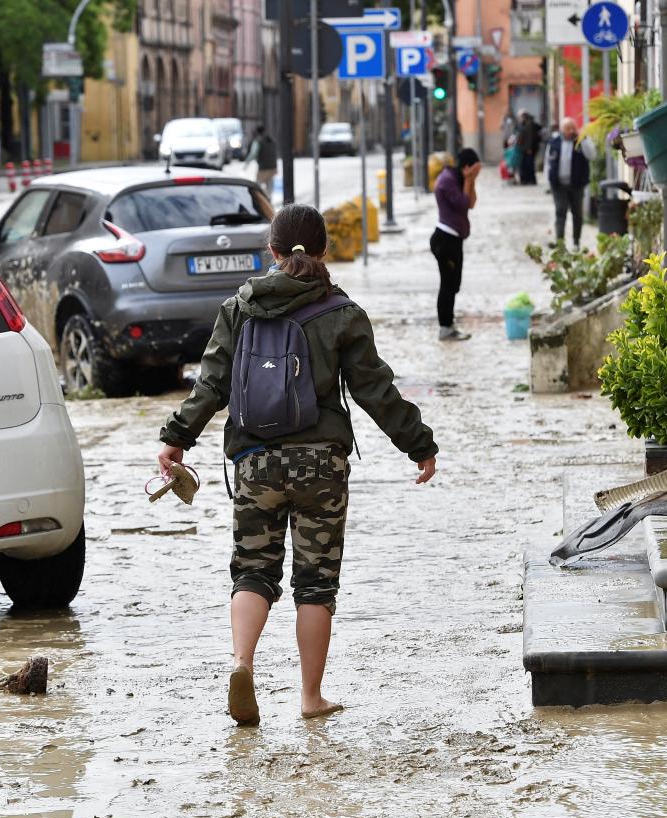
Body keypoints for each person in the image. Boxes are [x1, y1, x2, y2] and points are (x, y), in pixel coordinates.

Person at [158, 203, 439, 726]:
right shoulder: (341, 312)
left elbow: (212, 384)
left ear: (272, 251)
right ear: (325, 250)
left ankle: (242, 663)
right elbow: (375, 390)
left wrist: (177, 438)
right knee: (316, 583)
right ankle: (310, 697)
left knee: (252, 571)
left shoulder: (239, 307)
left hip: (254, 461)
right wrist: (418, 444)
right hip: (321, 467)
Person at [429, 148, 480, 341]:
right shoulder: (448, 181)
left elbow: (472, 203)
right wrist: (468, 180)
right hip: (445, 240)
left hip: (454, 239)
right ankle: (445, 327)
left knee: (454, 284)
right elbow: (463, 204)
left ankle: (449, 324)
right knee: (447, 285)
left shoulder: (458, 177)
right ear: (466, 166)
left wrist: (471, 180)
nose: (476, 174)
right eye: (475, 170)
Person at [546, 117, 597, 249]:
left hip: (577, 184)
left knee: (577, 213)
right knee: (560, 211)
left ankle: (576, 241)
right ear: (562, 129)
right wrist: (548, 181)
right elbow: (548, 162)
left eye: (572, 128)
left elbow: (592, 155)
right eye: (567, 128)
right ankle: (560, 242)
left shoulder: (581, 141)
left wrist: (583, 139)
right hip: (558, 184)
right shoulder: (554, 142)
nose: (570, 131)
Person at [245, 126, 278, 196]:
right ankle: (269, 200)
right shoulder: (270, 139)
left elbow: (253, 154)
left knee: (257, 186)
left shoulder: (258, 141)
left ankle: (261, 200)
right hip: (273, 166)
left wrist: (246, 164)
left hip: (263, 167)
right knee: (269, 186)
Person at [515, 112, 541, 186]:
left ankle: (530, 180)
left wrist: (529, 148)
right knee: (525, 165)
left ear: (524, 117)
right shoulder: (526, 124)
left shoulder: (529, 124)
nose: (519, 119)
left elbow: (530, 137)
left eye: (520, 117)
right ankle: (526, 179)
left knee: (529, 165)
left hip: (528, 149)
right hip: (525, 148)